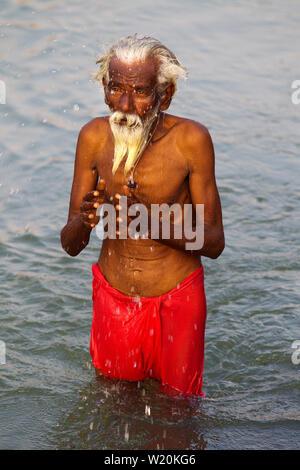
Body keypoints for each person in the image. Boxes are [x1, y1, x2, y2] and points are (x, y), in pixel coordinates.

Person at [60, 35, 225, 397]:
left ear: (166, 95)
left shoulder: (191, 140)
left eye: (140, 92)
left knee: (180, 412)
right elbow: (71, 245)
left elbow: (213, 242)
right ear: (104, 89)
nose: (125, 105)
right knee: (113, 404)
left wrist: (147, 222)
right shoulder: (92, 137)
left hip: (178, 298)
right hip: (113, 298)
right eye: (116, 88)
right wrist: (84, 221)